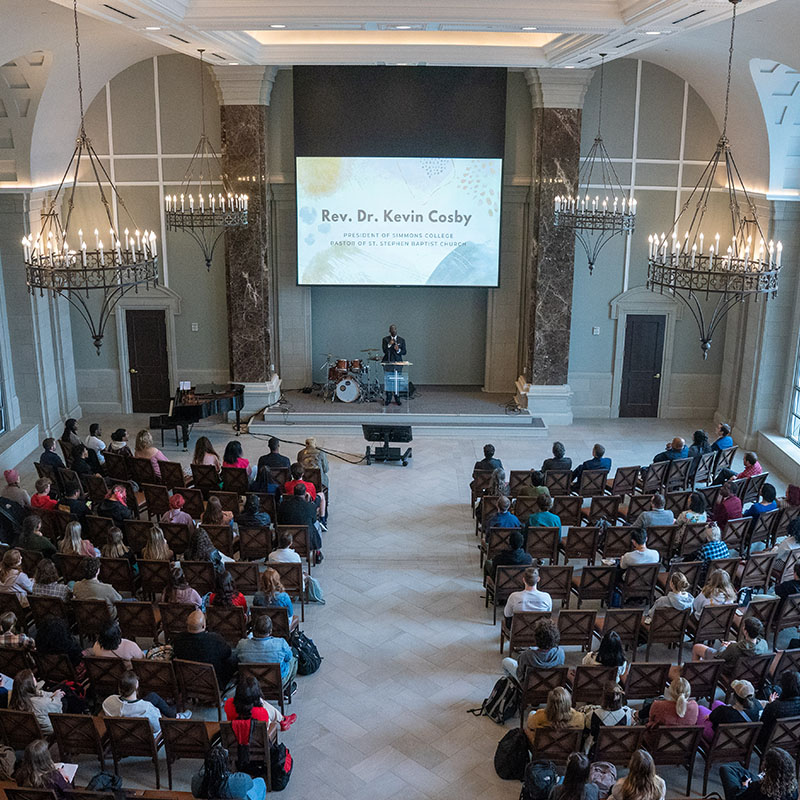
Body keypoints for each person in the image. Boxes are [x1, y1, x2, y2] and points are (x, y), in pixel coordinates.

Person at [103, 669, 190, 734]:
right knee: (153, 699)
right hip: (141, 736)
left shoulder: (108, 701)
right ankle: (176, 717)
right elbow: (157, 727)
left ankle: (176, 716)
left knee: (153, 696)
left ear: (119, 687)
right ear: (136, 686)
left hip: (121, 733)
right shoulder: (146, 707)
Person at [173, 610, 237, 686]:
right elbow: (227, 653)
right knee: (234, 657)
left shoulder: (178, 640)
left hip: (188, 681)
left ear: (187, 625)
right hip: (215, 682)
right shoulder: (215, 639)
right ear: (204, 625)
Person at [234, 614, 297, 689]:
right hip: (276, 681)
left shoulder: (242, 644)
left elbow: (236, 657)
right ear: (270, 631)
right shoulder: (281, 644)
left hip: (250, 682)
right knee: (294, 659)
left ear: (254, 629)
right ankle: (287, 689)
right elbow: (288, 658)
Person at [191, 742, 266, 800]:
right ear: (226, 763)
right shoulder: (239, 780)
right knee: (260, 781)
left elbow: (195, 794)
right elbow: (250, 784)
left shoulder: (197, 779)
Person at [719, 746, 798, 800]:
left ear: (767, 767)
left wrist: (744, 786)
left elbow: (739, 798)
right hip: (762, 785)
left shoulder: (757, 788)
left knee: (726, 769)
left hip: (745, 794)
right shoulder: (794, 790)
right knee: (746, 774)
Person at [692, 616, 770, 668]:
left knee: (697, 647)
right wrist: (734, 644)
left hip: (727, 668)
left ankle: (694, 673)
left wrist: (724, 646)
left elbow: (719, 657)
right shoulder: (764, 644)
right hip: (745, 670)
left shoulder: (734, 648)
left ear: (746, 632)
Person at [224, 674, 293, 731]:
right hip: (257, 740)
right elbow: (266, 727)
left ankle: (282, 719)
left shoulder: (228, 704)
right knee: (263, 705)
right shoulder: (261, 712)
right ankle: (282, 719)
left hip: (234, 736)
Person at [580, 682, 633, 754]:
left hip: (596, 751)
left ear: (603, 697)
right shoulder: (627, 714)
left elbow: (588, 727)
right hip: (618, 750)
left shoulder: (593, 714)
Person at [277, 484, 323, 562]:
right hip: (306, 540)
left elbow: (279, 520)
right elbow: (314, 520)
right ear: (305, 493)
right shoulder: (310, 506)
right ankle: (317, 551)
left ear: (294, 493)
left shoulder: (283, 505)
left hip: (286, 537)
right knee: (317, 524)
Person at [10, 669, 62, 735]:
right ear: (30, 683)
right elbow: (58, 710)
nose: (35, 678)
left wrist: (54, 695)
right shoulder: (40, 703)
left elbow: (40, 693)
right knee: (65, 701)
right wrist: (57, 697)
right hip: (48, 732)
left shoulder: (16, 699)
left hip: (26, 732)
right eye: (33, 677)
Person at [758, 670, 800, 750]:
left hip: (767, 743)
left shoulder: (774, 707)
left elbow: (762, 728)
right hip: (793, 742)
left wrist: (771, 704)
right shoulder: (775, 706)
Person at [381, 323, 406, 406]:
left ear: (396, 330)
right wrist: (389, 344)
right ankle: (388, 398)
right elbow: (384, 350)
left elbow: (404, 352)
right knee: (388, 380)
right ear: (389, 331)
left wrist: (398, 350)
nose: (393, 331)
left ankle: (397, 397)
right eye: (391, 329)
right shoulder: (385, 339)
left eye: (394, 329)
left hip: (398, 362)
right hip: (388, 362)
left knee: (397, 381)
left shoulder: (401, 340)